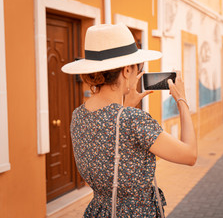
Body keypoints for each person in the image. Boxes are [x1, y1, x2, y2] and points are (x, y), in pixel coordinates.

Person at [61, 23, 197, 217]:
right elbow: (190, 155)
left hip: (98, 211)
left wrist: (125, 108)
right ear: (126, 71)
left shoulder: (78, 115)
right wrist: (182, 100)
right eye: (137, 67)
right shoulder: (132, 120)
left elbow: (114, 143)